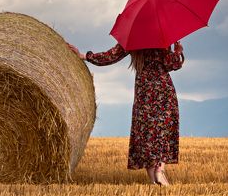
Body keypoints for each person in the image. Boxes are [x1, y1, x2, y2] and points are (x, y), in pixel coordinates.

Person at [68, 40, 185, 186]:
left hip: (144, 92)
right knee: (163, 130)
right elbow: (171, 65)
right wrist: (178, 52)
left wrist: (84, 55)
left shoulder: (133, 39)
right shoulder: (162, 39)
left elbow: (110, 56)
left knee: (146, 133)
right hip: (163, 90)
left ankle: (153, 180)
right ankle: (160, 170)